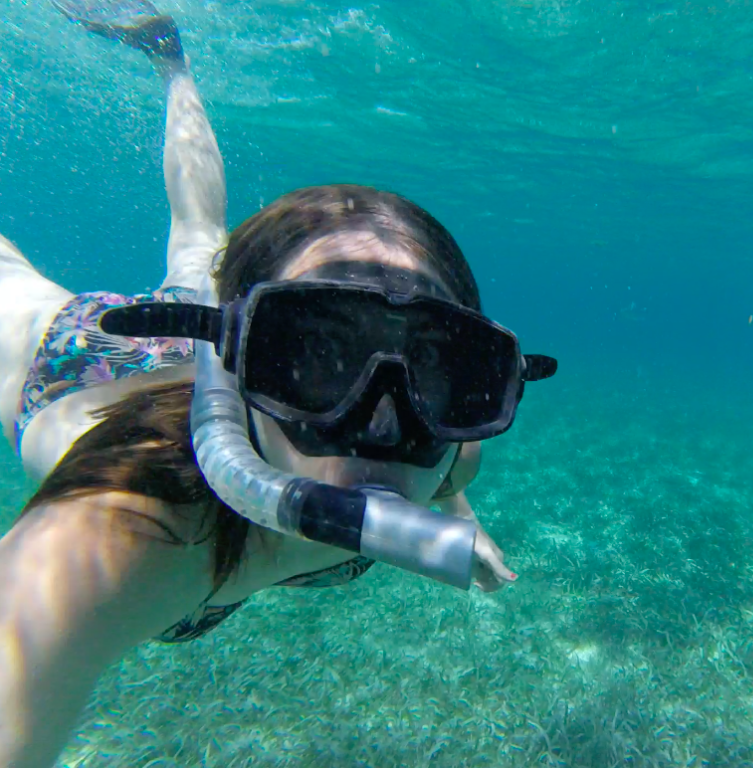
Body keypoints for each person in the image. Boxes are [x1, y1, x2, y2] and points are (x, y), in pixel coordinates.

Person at [0, 4, 556, 767]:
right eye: (318, 354)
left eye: (438, 370)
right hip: (81, 362)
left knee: (203, 245)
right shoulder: (126, 529)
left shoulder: (451, 451)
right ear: (237, 361)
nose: (383, 428)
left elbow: (446, 461)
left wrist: (466, 522)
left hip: (211, 329)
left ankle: (170, 57)